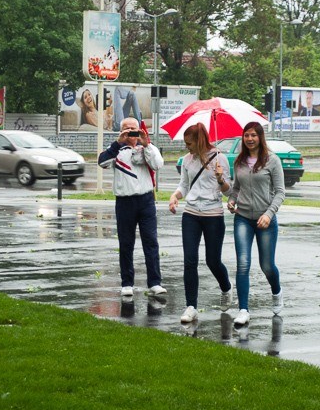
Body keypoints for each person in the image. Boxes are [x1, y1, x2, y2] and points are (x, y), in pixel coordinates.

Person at [168, 123, 233, 324]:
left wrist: (220, 178)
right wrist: (175, 196)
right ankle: (191, 306)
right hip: (191, 214)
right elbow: (184, 185)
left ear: (200, 141)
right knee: (190, 260)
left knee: (213, 261)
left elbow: (229, 191)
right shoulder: (187, 160)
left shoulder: (220, 158)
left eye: (189, 143)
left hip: (213, 215)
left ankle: (226, 288)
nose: (187, 146)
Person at [99, 117, 166, 297]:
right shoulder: (116, 150)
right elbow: (102, 162)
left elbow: (158, 164)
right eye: (126, 129)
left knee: (151, 242)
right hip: (124, 202)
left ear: (140, 130)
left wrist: (146, 145)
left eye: (133, 128)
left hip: (146, 201)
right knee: (126, 243)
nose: (130, 132)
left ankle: (155, 283)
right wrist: (117, 143)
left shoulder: (148, 148)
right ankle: (127, 283)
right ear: (121, 131)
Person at [227, 121, 286, 327]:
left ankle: (276, 292)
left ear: (260, 137)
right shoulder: (239, 161)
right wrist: (232, 200)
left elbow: (280, 193)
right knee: (243, 263)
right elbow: (236, 189)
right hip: (242, 218)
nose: (250, 139)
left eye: (253, 135)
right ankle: (243, 310)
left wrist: (269, 214)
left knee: (267, 266)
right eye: (246, 135)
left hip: (265, 220)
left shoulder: (272, 160)